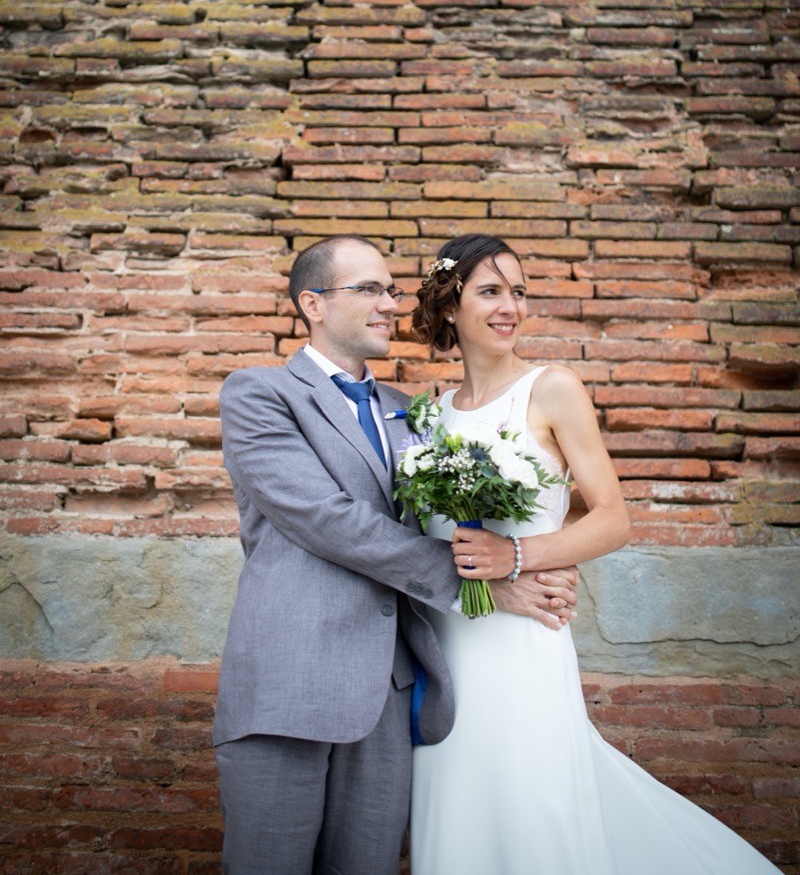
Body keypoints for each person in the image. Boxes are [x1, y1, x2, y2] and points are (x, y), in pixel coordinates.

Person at [409, 232, 781, 875]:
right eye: (491, 291)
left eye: (519, 292)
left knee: (538, 800)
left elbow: (612, 518)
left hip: (524, 639)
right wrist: (481, 569)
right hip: (449, 643)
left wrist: (517, 554)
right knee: (458, 803)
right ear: (449, 306)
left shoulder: (552, 388)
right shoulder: (431, 417)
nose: (511, 307)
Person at [213, 233, 581, 875]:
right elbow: (328, 520)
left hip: (390, 697)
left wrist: (540, 558)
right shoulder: (259, 394)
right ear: (313, 304)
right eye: (368, 289)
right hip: (288, 687)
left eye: (391, 290)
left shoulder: (415, 416)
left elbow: (478, 513)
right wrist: (483, 583)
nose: (390, 304)